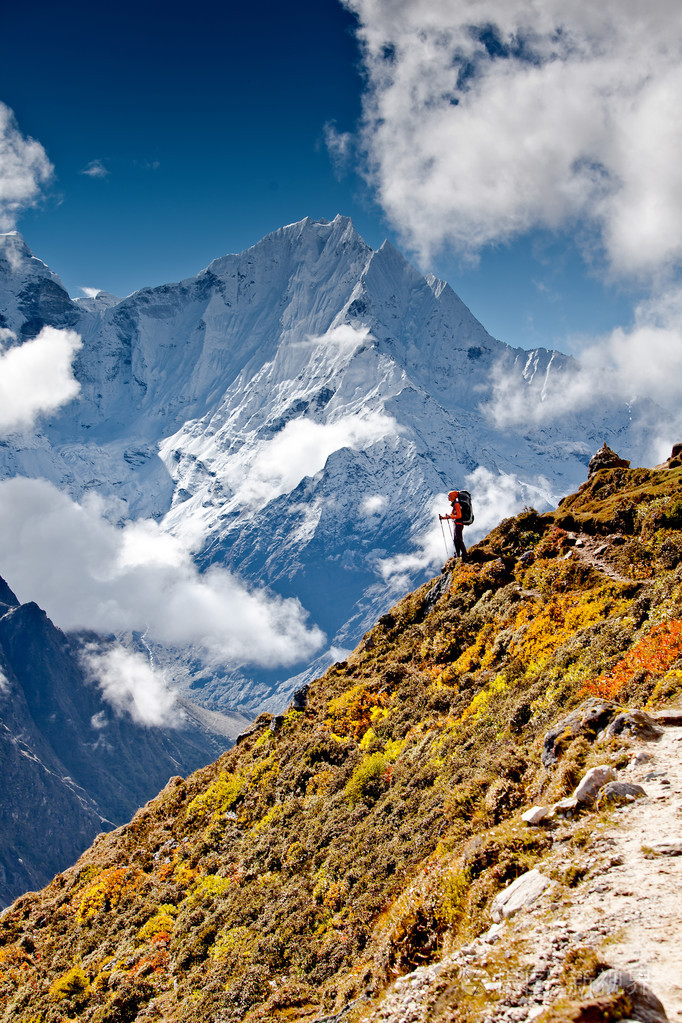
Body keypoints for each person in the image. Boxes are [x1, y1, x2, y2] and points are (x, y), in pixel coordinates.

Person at [440, 490, 467, 560]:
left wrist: (450, 517)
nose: (448, 497)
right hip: (457, 524)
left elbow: (459, 515)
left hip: (458, 524)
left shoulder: (457, 504)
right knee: (456, 540)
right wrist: (444, 518)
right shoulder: (454, 504)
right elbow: (452, 515)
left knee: (459, 540)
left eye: (449, 496)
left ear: (453, 496)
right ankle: (458, 554)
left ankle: (464, 555)